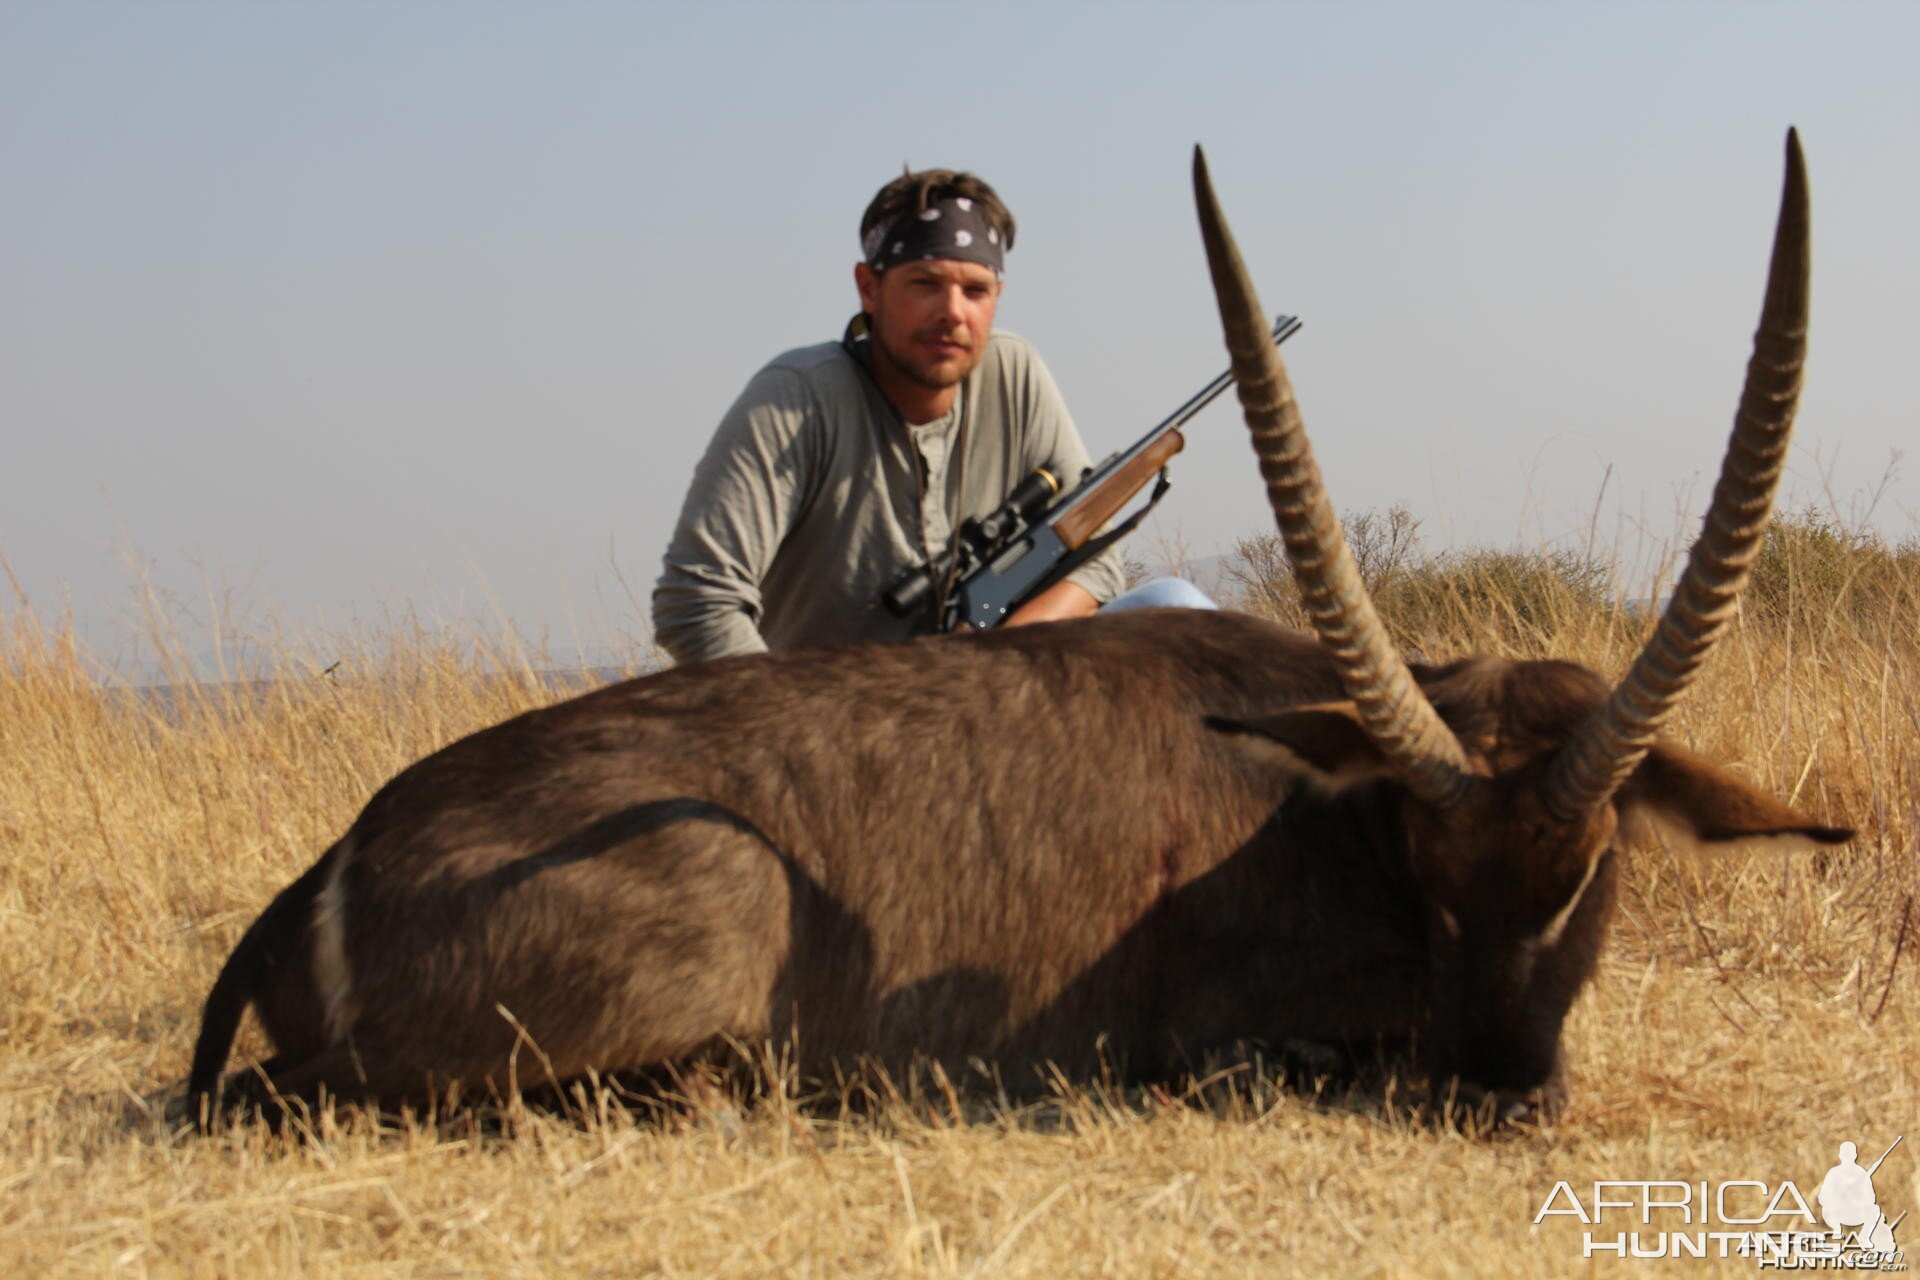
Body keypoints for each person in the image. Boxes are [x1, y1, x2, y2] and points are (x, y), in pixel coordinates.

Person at [652, 167, 1213, 666]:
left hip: (996, 685)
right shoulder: (796, 397)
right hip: (836, 720)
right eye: (924, 284)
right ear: (868, 288)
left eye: (975, 290)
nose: (952, 312)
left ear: (997, 296)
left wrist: (996, 653)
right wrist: (803, 736)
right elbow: (696, 599)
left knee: (1177, 606)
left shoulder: (1016, 370)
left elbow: (1096, 558)